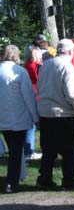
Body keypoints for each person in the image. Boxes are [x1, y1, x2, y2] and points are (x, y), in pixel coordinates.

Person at [36, 39, 74, 190]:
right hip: (63, 114)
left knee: (48, 150)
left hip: (45, 113)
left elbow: (39, 87)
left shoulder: (45, 66)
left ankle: (44, 179)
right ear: (70, 51)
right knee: (70, 150)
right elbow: (72, 94)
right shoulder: (68, 68)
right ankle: (69, 181)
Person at [0, 45, 39, 193]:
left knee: (14, 149)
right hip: (17, 118)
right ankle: (11, 183)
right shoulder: (20, 71)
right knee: (16, 152)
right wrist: (36, 117)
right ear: (16, 55)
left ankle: (19, 175)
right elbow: (29, 97)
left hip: (2, 117)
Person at [23, 47, 43, 160]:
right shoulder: (36, 66)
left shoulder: (26, 65)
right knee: (32, 125)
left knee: (28, 123)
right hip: (35, 93)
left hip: (27, 93)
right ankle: (28, 151)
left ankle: (26, 149)